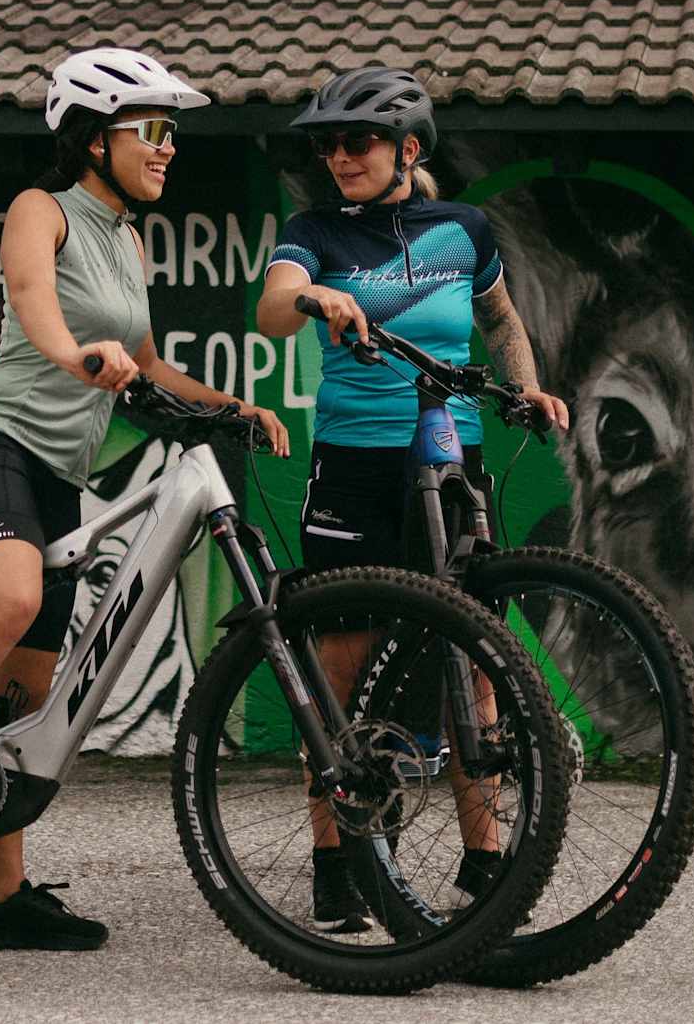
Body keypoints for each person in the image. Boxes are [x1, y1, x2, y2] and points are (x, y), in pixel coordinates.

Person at [0, 47, 289, 951]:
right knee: (8, 600)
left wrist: (233, 407)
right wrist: (76, 354)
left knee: (24, 703)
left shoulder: (128, 238)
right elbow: (34, 302)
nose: (168, 147)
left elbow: (149, 366)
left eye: (173, 132)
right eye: (151, 129)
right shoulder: (40, 210)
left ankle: (2, 902)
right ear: (92, 139)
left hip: (57, 477)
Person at [250, 66, 569, 930]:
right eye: (328, 144)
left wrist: (525, 387)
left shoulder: (463, 230)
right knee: (341, 662)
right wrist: (311, 292)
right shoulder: (314, 230)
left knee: (476, 661)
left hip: (450, 458)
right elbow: (272, 310)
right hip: (354, 466)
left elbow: (499, 319)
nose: (339, 157)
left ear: (409, 148)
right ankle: (336, 863)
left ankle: (484, 858)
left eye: (357, 141)